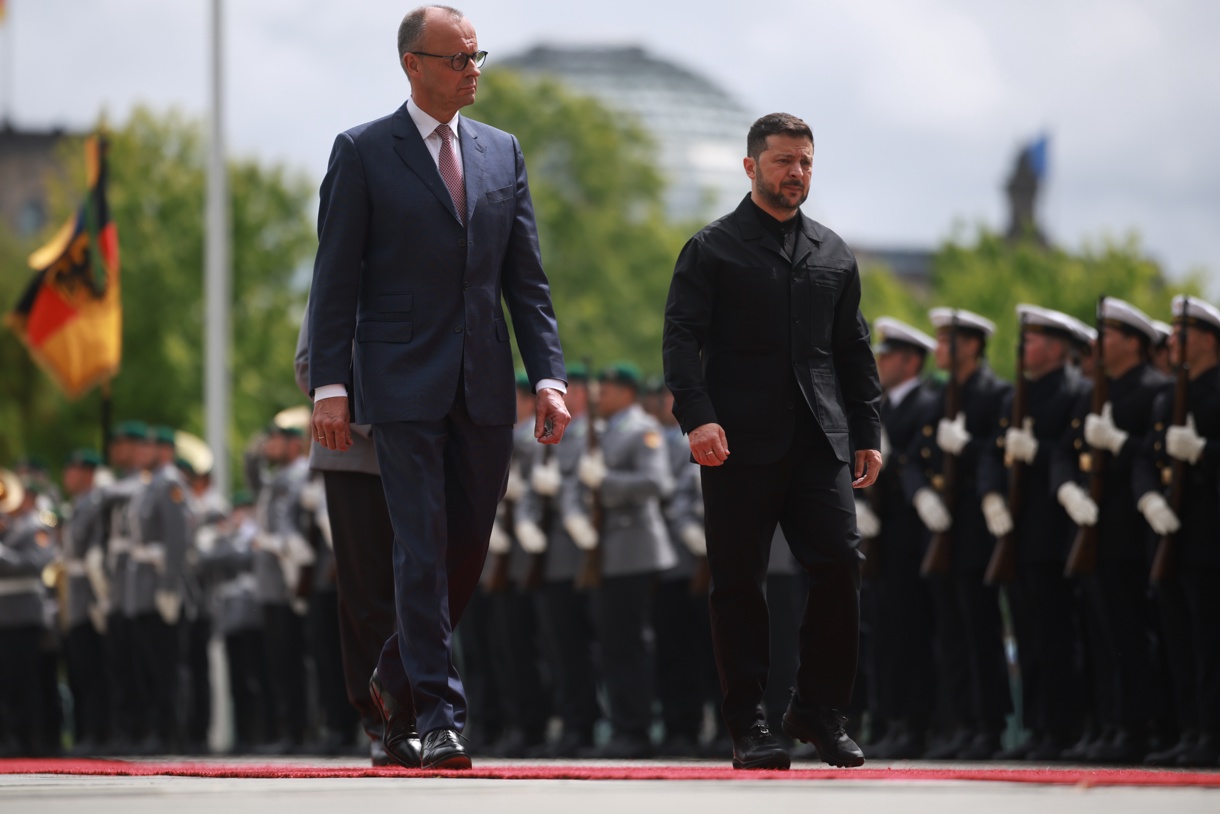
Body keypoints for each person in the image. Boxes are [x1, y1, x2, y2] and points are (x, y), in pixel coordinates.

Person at [307, 5, 569, 770]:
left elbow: (527, 278)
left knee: (464, 548)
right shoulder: (361, 151)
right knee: (419, 546)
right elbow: (335, 281)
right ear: (412, 64)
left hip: (485, 382)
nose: (474, 69)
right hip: (398, 382)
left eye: (478, 55)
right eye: (458, 58)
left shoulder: (502, 152)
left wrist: (547, 375)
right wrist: (330, 384)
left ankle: (393, 677)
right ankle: (440, 714)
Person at [662, 112, 882, 770]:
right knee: (738, 582)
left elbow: (853, 349)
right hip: (736, 442)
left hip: (820, 440)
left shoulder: (834, 253)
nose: (796, 173)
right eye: (784, 160)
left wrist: (867, 428)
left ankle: (817, 709)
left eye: (806, 162)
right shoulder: (713, 248)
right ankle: (748, 721)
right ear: (751, 166)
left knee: (841, 563)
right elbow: (680, 339)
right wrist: (697, 416)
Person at [979, 305, 1090, 760]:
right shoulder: (1015, 397)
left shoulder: (1075, 393)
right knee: (1026, 636)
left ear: (1059, 348)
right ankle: (1037, 729)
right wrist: (991, 496)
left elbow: (1071, 457)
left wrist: (1038, 452)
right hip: (1018, 534)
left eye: (1034, 340)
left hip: (1054, 532)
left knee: (1055, 636)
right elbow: (992, 452)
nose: (1024, 348)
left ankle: (1061, 728)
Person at [904, 308, 1012, 761]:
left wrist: (966, 448)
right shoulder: (939, 397)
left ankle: (988, 725)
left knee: (979, 629)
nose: (940, 349)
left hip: (975, 528)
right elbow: (910, 460)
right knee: (951, 631)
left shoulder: (995, 394)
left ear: (972, 345)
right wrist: (922, 497)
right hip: (942, 527)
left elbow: (999, 453)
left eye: (948, 341)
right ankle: (962, 723)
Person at [294, 307, 397, 766]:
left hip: (421, 451)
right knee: (364, 590)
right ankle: (381, 719)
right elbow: (309, 365)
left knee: (425, 586)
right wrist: (380, 422)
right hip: (352, 452)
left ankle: (430, 708)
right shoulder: (339, 268)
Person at [569, 362, 676, 758]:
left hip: (634, 551)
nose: (601, 396)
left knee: (628, 644)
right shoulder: (604, 429)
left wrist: (606, 483)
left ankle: (636, 729)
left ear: (628, 393)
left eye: (609, 389)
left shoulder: (641, 429)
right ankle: (622, 726)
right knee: (611, 644)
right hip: (606, 554)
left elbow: (657, 483)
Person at [1133, 296, 1220, 767]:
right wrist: (1147, 496)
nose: (1172, 343)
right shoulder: (1169, 395)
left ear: (1209, 339)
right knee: (1178, 641)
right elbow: (1147, 457)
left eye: (1183, 334)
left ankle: (1211, 731)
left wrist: (1204, 452)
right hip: (1168, 535)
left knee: (1207, 641)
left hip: (1207, 534)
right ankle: (1189, 729)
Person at [860, 317, 939, 760]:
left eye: (888, 356)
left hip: (912, 534)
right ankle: (889, 720)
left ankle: (915, 723)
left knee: (911, 633)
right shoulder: (884, 407)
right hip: (882, 538)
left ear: (910, 362)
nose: (880, 362)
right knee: (885, 634)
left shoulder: (925, 405)